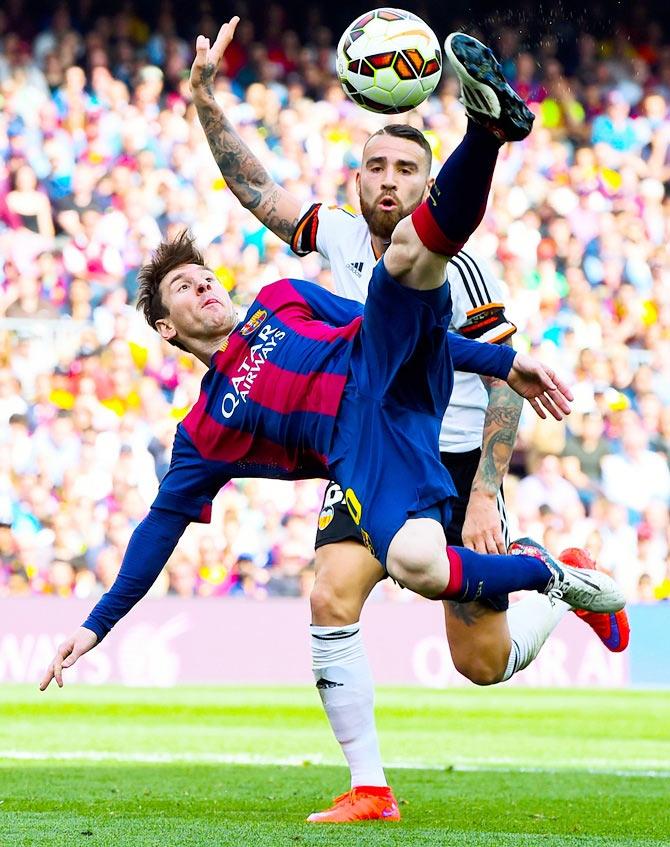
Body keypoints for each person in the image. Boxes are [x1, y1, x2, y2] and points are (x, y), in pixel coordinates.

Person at [41, 27, 624, 816]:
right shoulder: (208, 422)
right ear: (168, 330)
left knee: (404, 269)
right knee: (385, 595)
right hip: (366, 456)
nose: (209, 285)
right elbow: (158, 528)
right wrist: (205, 99)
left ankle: (487, 131)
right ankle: (378, 777)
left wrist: (490, 441)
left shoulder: (285, 299)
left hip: (431, 416)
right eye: (376, 167)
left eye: (408, 169)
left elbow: (376, 330)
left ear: (426, 182)